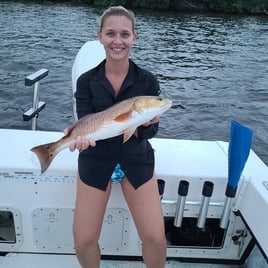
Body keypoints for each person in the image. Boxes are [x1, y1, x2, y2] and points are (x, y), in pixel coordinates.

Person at [67, 6, 167, 268]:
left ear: (135, 37)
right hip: (96, 159)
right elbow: (86, 121)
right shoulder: (87, 81)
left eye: (124, 34)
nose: (117, 41)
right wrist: (79, 138)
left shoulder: (147, 81)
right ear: (99, 36)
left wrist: (148, 123)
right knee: (84, 240)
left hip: (136, 160)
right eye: (111, 33)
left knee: (156, 238)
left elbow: (151, 133)